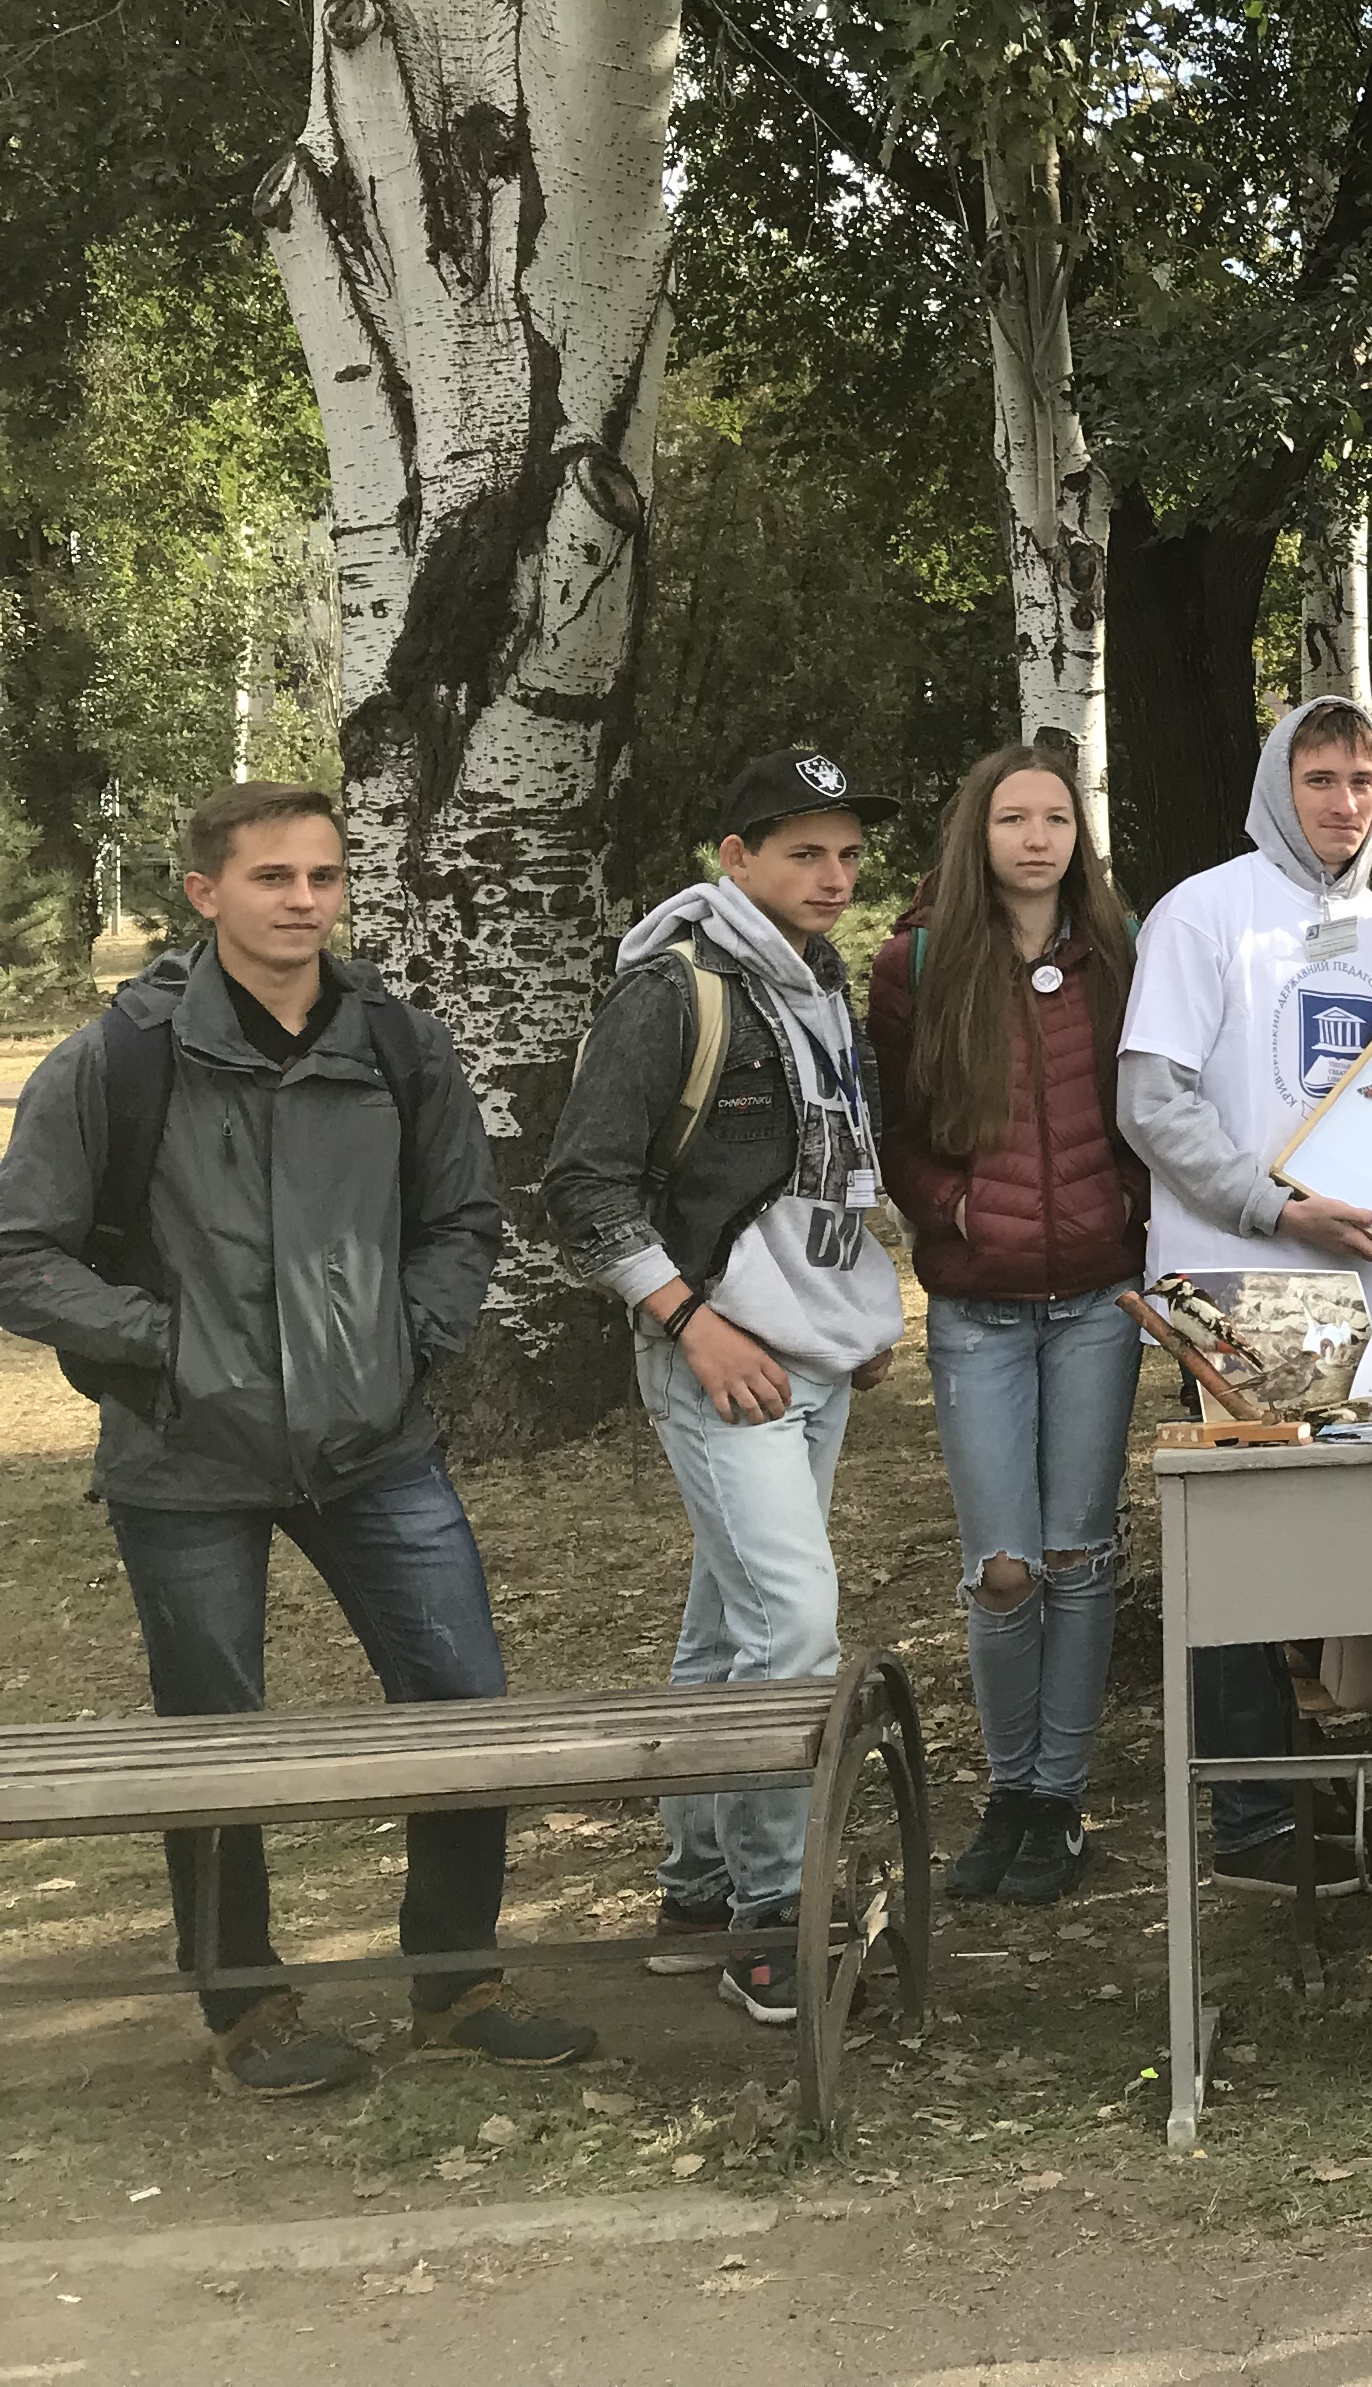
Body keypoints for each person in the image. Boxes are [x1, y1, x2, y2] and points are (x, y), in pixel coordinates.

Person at [0, 781, 591, 2093]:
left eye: (324, 876)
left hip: (375, 1447)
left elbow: (462, 1221)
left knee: (462, 1702)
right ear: (205, 892)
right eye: (273, 877)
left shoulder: (397, 1045)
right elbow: (19, 1253)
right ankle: (247, 2009)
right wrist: (169, 1345)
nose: (305, 901)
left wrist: (407, 1344)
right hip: (183, 1459)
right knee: (214, 1739)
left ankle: (459, 1984)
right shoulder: (119, 1061)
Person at [545, 749, 909, 2028]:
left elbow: (827, 1172)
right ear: (735, 858)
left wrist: (852, 1304)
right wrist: (691, 1326)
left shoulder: (820, 983)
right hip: (721, 1361)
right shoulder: (673, 990)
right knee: (794, 1629)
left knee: (728, 1636)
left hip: (810, 1349)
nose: (834, 875)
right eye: (804, 852)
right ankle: (775, 1920)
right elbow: (582, 1184)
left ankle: (697, 1895)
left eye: (848, 853)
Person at [1115, 695, 1372, 1889]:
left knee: (1331, 1547)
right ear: (1275, 787)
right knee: (1241, 1550)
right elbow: (1152, 1104)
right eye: (1320, 779)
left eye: (1362, 781)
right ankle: (1249, 1815)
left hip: (1359, 1288)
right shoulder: (1203, 913)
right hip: (1236, 1279)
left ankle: (1310, 1784)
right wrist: (1273, 1207)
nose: (1345, 804)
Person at [868, 746, 1148, 1909]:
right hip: (977, 1308)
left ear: (1079, 839)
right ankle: (1008, 1790)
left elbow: (1154, 1109)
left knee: (1078, 1559)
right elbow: (893, 1128)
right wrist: (955, 1207)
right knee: (1002, 1569)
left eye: (1056, 820)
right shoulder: (918, 961)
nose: (1036, 839)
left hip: (1096, 1302)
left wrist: (1127, 1202)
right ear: (976, 834)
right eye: (1013, 819)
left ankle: (1059, 1801)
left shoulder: (1119, 959)